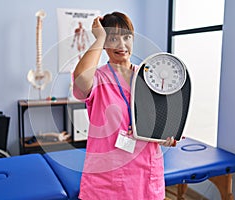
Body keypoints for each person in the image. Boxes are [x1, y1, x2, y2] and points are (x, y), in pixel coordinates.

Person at [73, 11, 175, 200]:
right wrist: (99, 38)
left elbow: (159, 121)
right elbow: (80, 79)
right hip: (106, 176)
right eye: (113, 38)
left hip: (146, 174)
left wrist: (164, 137)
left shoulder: (150, 77)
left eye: (127, 37)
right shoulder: (99, 78)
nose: (122, 45)